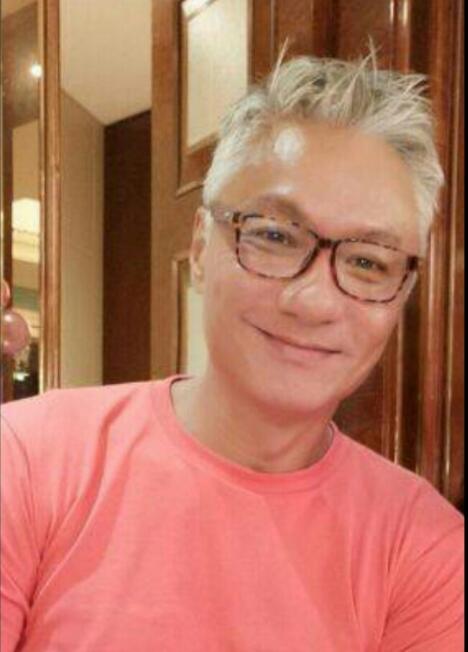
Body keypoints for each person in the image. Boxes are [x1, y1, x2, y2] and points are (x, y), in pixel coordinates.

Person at [1, 50, 464, 652]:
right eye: (273, 235)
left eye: (369, 262)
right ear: (200, 247)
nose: (312, 300)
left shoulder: (425, 548)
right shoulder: (29, 458)